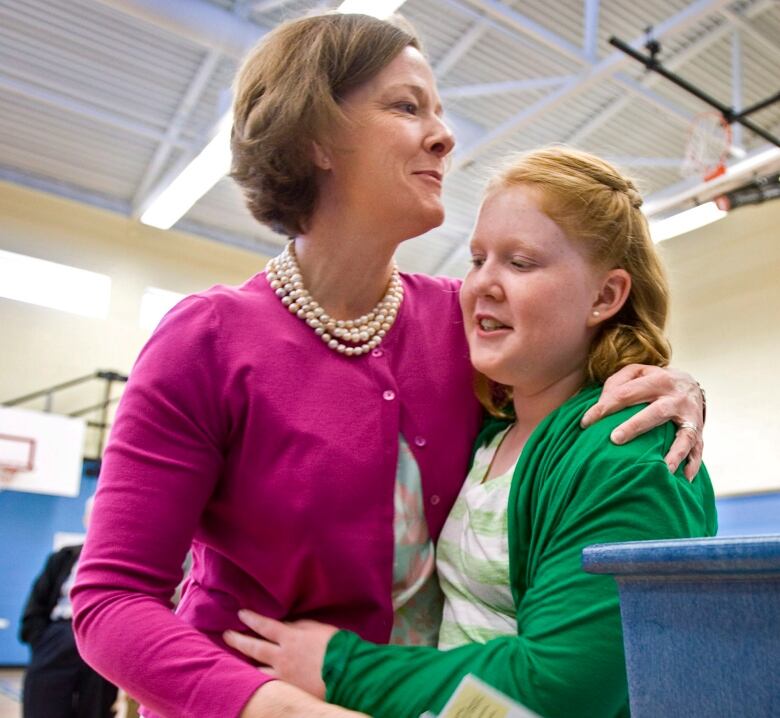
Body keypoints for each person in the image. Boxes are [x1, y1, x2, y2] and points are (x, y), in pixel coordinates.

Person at [71, 13, 705, 718]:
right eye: (407, 107)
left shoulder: (460, 326)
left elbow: (574, 380)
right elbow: (110, 601)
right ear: (315, 139)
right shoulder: (208, 340)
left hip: (424, 697)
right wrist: (277, 705)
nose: (444, 134)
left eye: (438, 109)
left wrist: (668, 381)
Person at [223, 148, 718, 718]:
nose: (482, 283)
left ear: (605, 297)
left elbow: (562, 688)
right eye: (479, 257)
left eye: (521, 262)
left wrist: (341, 666)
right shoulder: (489, 428)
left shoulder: (629, 454)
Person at [20, 495, 117, 718]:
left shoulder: (124, 561)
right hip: (59, 634)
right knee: (42, 704)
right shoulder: (65, 557)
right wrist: (40, 639)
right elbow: (36, 604)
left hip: (101, 638)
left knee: (95, 707)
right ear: (86, 520)